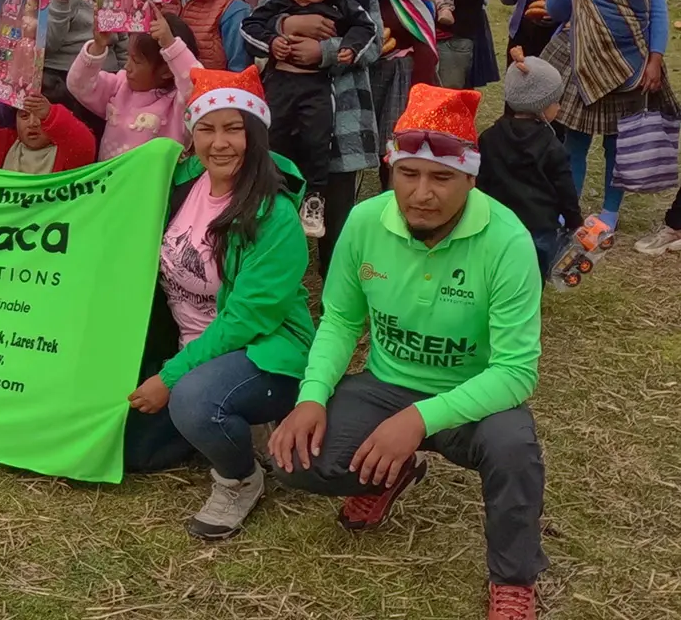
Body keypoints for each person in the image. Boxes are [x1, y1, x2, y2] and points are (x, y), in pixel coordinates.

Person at [269, 85, 546, 620]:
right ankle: (390, 475)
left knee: (514, 451)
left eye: (442, 177)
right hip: (385, 386)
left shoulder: (507, 242)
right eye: (408, 173)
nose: (421, 193)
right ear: (390, 169)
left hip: (472, 394)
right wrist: (311, 397)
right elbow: (343, 320)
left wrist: (418, 420)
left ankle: (514, 577)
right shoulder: (365, 222)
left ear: (470, 177)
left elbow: (515, 371)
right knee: (297, 461)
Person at [123, 68, 314, 540]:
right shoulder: (183, 179)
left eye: (234, 128)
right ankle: (230, 421)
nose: (220, 142)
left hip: (260, 347)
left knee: (193, 400)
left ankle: (239, 480)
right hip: (188, 341)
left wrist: (170, 377)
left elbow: (246, 319)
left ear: (256, 133)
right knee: (126, 444)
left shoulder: (276, 215)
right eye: (206, 128)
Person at [251, 0, 384, 274]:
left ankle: (336, 295)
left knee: (336, 207)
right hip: (285, 107)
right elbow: (257, 31)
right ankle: (279, 276)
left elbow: (373, 42)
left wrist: (323, 51)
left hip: (341, 114)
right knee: (278, 191)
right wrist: (286, 27)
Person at [540, 0, 675, 231]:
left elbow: (657, 11)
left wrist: (655, 59)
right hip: (586, 64)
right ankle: (569, 210)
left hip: (628, 64)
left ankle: (610, 213)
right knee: (575, 141)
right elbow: (559, 12)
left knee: (618, 142)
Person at [347, 0, 439, 159]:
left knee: (398, 151)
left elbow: (423, 40)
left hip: (402, 76)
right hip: (359, 69)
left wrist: (420, 97)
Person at [478, 53, 581, 278]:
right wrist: (575, 221)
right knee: (534, 276)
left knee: (496, 271)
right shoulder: (552, 146)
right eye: (556, 101)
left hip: (497, 224)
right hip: (539, 228)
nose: (560, 107)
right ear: (541, 107)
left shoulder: (489, 137)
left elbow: (480, 181)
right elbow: (565, 189)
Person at [67, 11, 200, 161]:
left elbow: (198, 86)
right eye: (128, 56)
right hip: (111, 180)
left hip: (154, 183)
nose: (127, 66)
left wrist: (171, 46)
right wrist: (98, 47)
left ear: (166, 72)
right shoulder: (121, 85)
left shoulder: (178, 105)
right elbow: (78, 84)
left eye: (136, 61)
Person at [0, 89, 96, 171]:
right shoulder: (4, 143)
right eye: (24, 116)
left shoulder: (65, 152)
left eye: (42, 117)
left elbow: (85, 149)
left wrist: (51, 114)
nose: (32, 123)